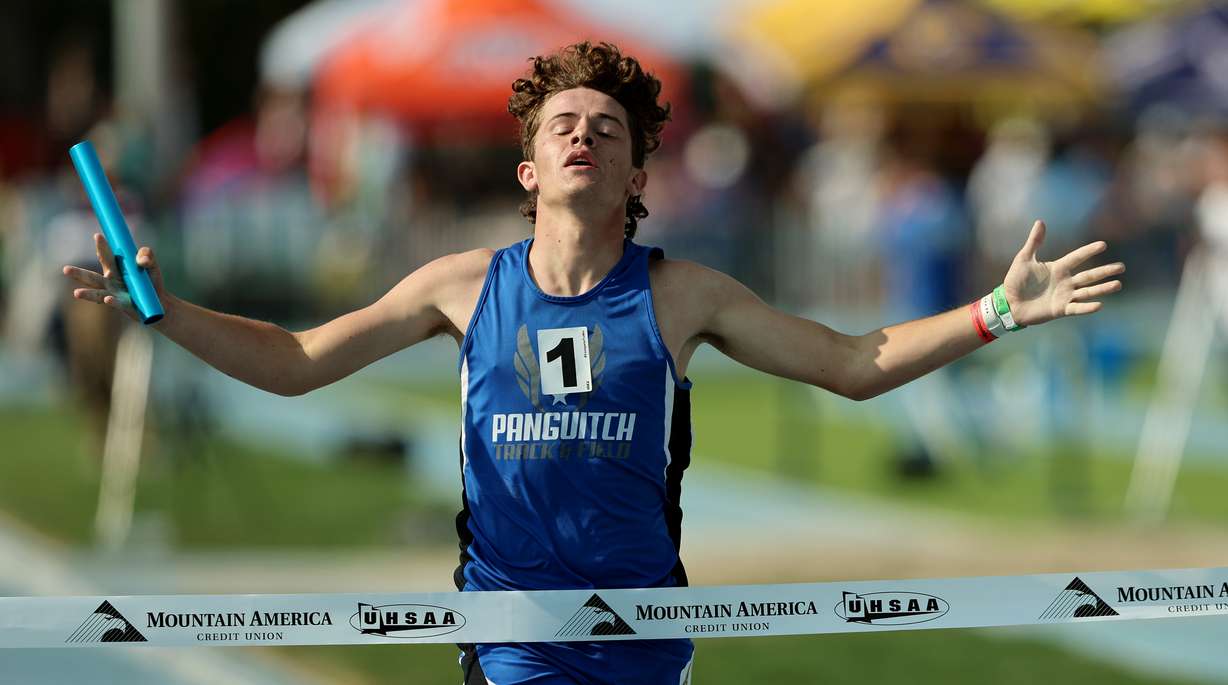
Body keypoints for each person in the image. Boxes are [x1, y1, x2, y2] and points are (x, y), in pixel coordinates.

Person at [62, 42, 1125, 685]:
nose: (584, 136)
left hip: (645, 630)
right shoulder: (462, 285)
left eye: (606, 128)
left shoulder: (682, 295)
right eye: (563, 124)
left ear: (633, 169)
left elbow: (853, 360)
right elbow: (296, 361)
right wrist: (167, 315)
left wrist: (994, 309)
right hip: (511, 627)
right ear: (529, 167)